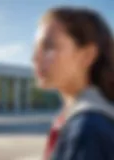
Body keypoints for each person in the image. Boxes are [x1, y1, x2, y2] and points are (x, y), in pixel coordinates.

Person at [32, 7, 114, 160]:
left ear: (87, 55)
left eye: (49, 47)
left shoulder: (88, 130)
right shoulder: (78, 119)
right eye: (36, 49)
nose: (35, 58)